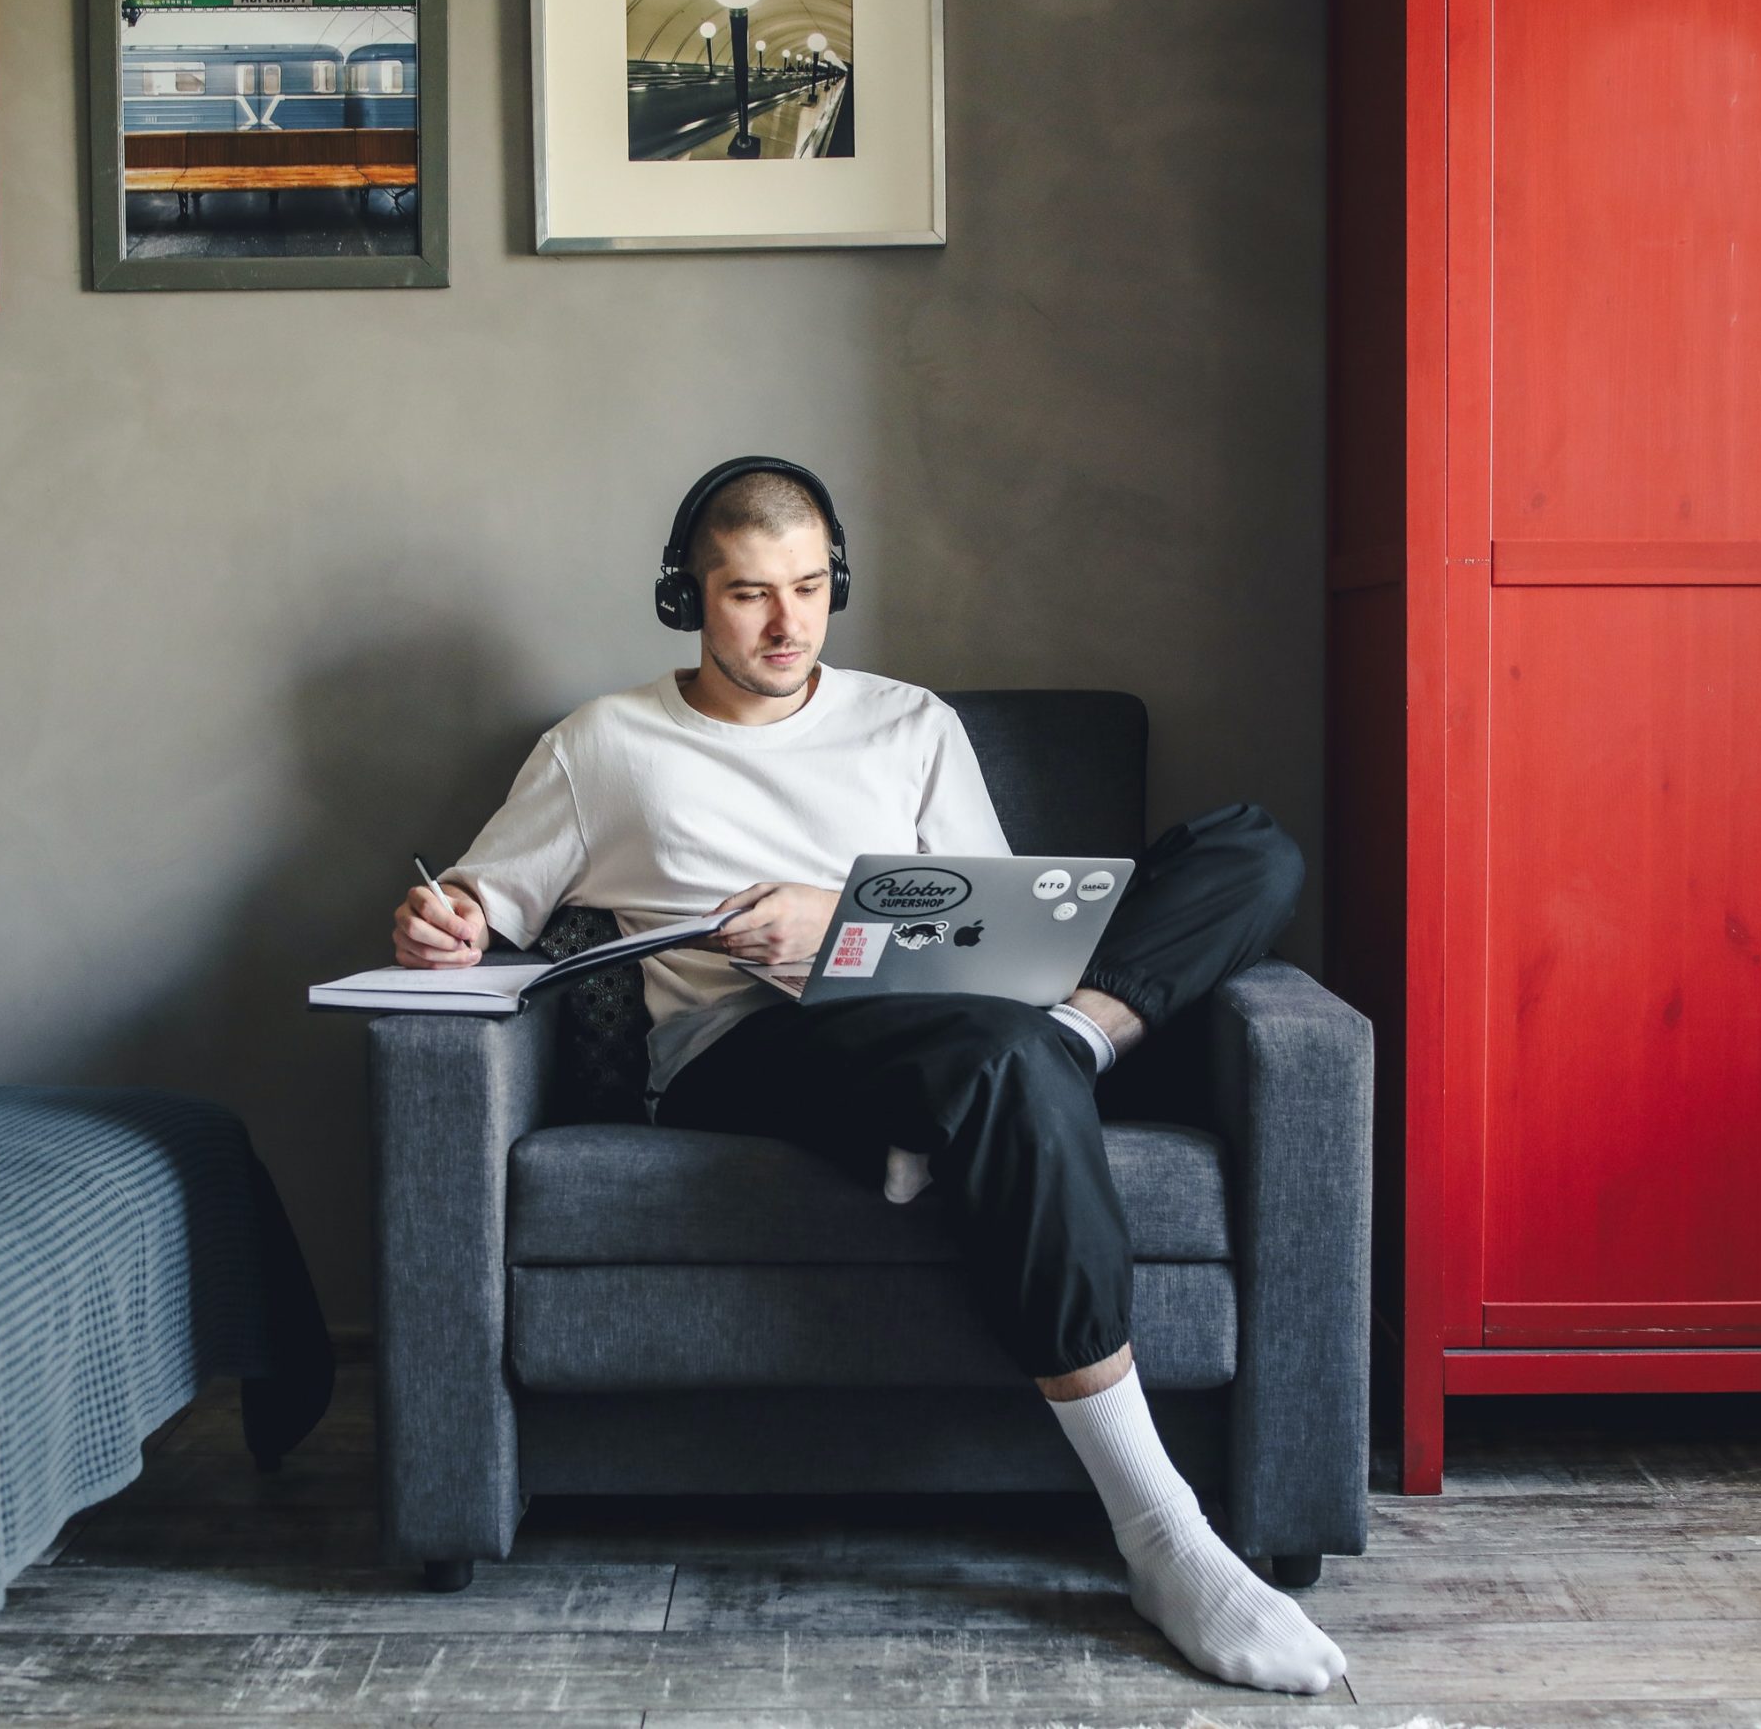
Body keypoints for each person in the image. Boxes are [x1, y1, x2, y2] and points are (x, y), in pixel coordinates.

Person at [390, 457, 1346, 1696]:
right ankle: (1163, 1530)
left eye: (810, 586)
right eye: (747, 594)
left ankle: (1063, 1051)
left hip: (954, 1020)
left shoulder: (911, 723)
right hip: (744, 1045)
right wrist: (447, 918)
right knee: (1002, 1060)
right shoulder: (604, 743)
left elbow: (1010, 936)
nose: (787, 625)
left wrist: (842, 917)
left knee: (1248, 852)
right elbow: (483, 902)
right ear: (688, 594)